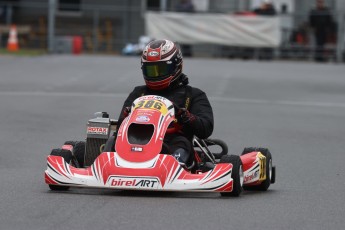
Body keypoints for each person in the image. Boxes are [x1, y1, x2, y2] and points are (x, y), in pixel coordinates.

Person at [105, 39, 214, 167]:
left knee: (182, 143)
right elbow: (120, 129)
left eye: (160, 70)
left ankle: (174, 166)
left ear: (176, 66)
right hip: (136, 141)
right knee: (115, 140)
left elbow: (206, 129)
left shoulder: (193, 95)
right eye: (151, 71)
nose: (155, 75)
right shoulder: (138, 93)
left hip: (171, 143)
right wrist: (126, 115)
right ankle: (109, 164)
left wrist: (187, 117)